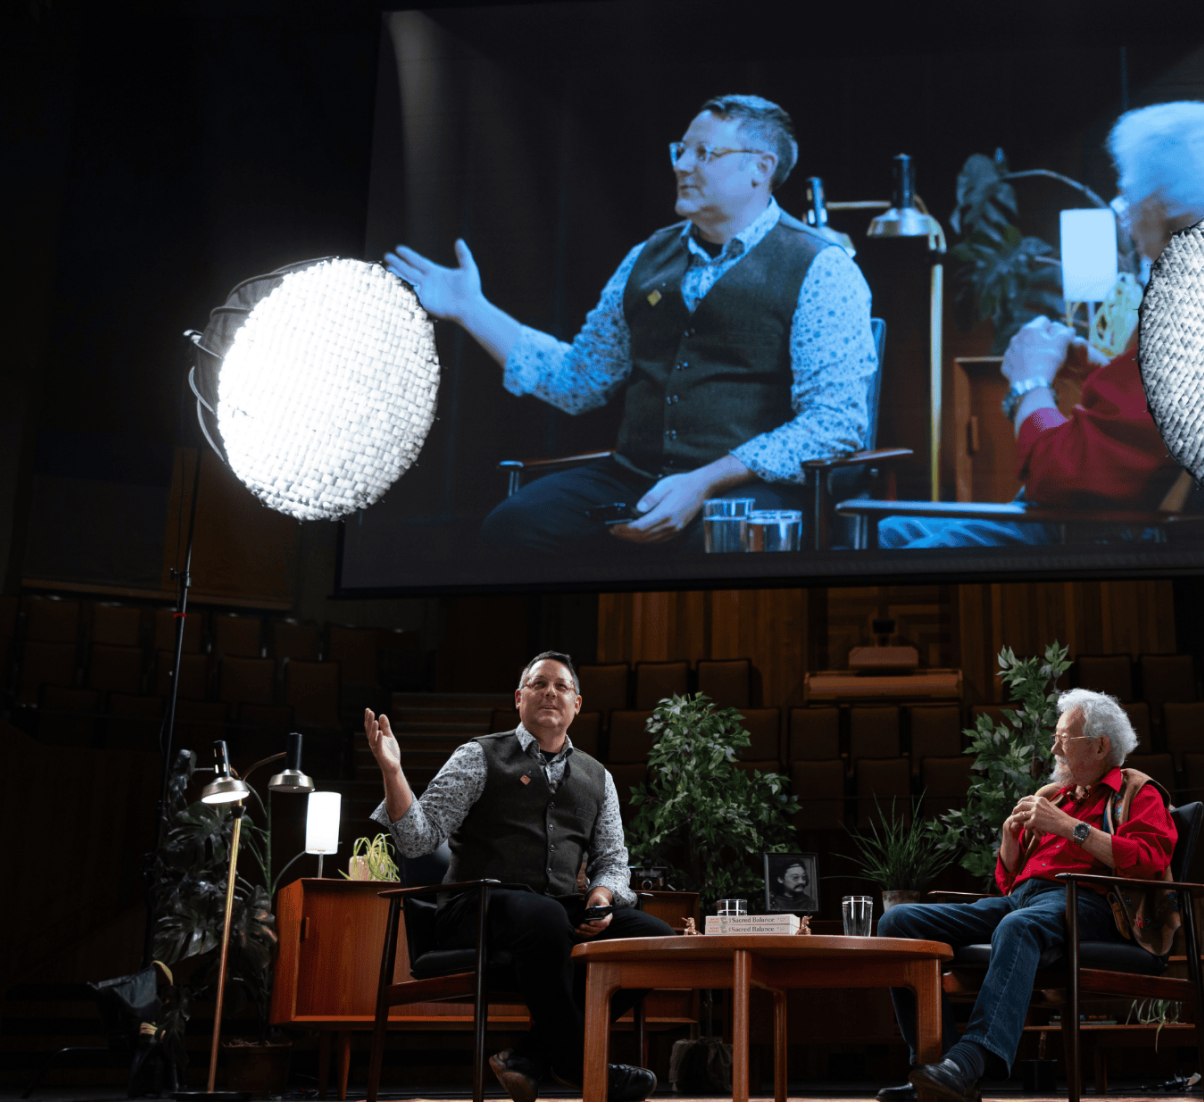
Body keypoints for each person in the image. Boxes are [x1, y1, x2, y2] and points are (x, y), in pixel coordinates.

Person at [385, 94, 877, 553]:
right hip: (635, 476)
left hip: (754, 486)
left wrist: (704, 481)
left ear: (759, 168)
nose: (682, 166)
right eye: (681, 150)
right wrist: (473, 309)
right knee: (513, 526)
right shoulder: (645, 258)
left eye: (704, 153)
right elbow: (579, 380)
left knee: (710, 545)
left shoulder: (821, 267)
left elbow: (834, 424)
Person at [879, 101, 1204, 548]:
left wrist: (1028, 384)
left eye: (1131, 191)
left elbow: (1065, 477)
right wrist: (1098, 368)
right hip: (1124, 519)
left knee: (889, 545)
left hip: (1112, 536)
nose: (1125, 210)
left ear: (1165, 207)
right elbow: (1146, 427)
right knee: (893, 530)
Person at [363, 651, 669, 1102]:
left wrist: (602, 898)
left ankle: (531, 1055)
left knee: (653, 939)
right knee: (544, 917)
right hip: (476, 905)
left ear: (577, 704)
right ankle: (577, 1064)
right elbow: (418, 840)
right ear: (519, 697)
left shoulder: (598, 777)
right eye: (539, 683)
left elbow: (612, 860)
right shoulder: (478, 755)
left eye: (561, 686)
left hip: (556, 911)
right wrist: (393, 771)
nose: (550, 692)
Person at [873, 689, 1177, 1102]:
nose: (1054, 747)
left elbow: (1150, 860)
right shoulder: (1055, 796)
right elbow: (1008, 883)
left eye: (1063, 738)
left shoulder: (1136, 791)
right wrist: (1009, 838)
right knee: (898, 922)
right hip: (1025, 901)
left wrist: (1071, 827)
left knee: (1019, 925)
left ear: (1100, 745)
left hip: (1086, 903)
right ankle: (937, 1071)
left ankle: (967, 1063)